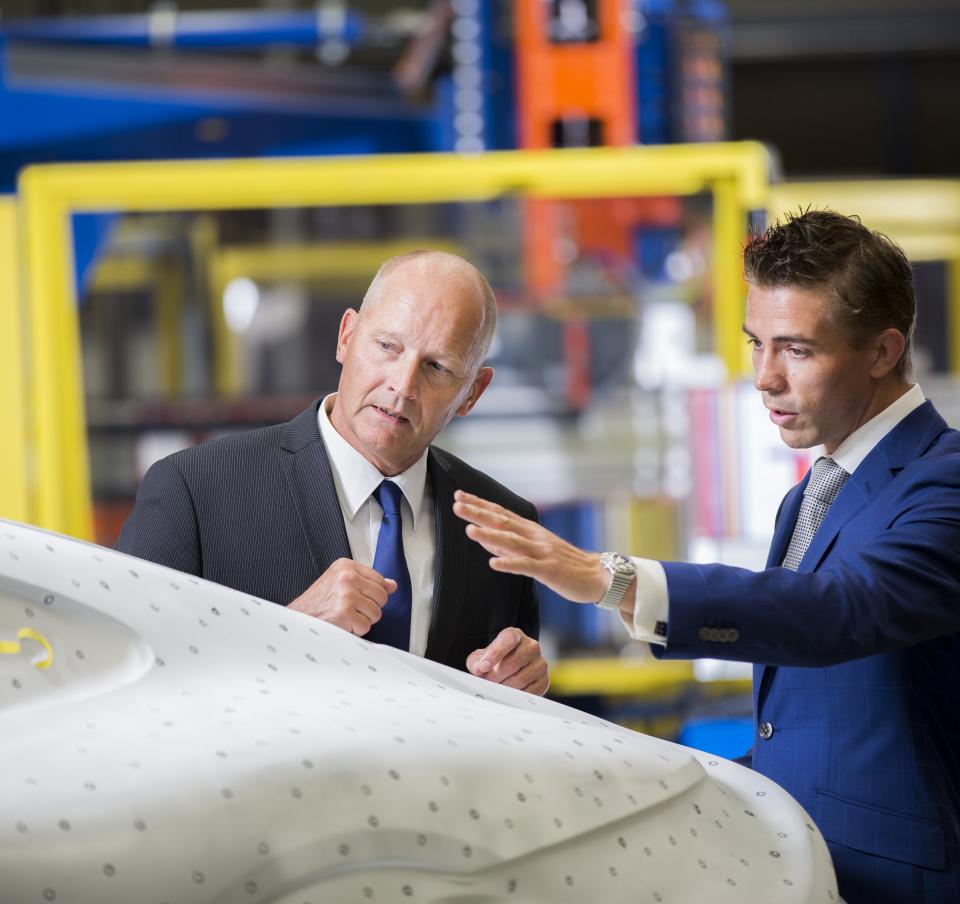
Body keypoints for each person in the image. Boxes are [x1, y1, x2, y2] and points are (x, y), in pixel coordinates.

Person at [453, 210, 960, 902]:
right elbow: (804, 725)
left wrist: (610, 578)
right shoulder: (813, 494)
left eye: (797, 350)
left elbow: (841, 612)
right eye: (757, 343)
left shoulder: (945, 480)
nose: (764, 377)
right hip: (809, 872)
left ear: (881, 351)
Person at [117, 250, 548, 695]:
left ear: (472, 393)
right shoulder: (195, 489)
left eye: (437, 367)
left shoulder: (504, 528)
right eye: (387, 347)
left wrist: (522, 690)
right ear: (346, 336)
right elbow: (123, 674)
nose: (402, 386)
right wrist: (290, 630)